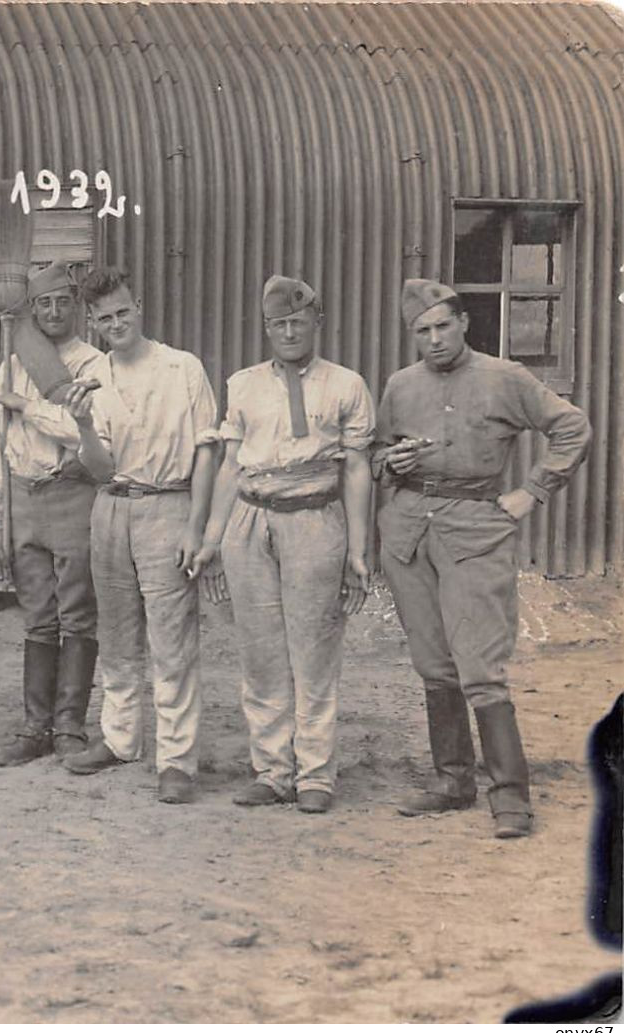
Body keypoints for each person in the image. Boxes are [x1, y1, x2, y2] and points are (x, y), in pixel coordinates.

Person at [376, 277, 591, 839]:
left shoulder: (506, 378)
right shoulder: (400, 386)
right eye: (422, 331)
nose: (435, 338)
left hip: (476, 532)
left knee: (481, 667)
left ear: (464, 322)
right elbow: (377, 454)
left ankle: (511, 796)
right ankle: (452, 781)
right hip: (408, 535)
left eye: (443, 325)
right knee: (433, 662)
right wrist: (390, 461)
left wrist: (533, 492)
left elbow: (572, 428)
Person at [188, 276, 375, 814]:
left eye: (298, 321)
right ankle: (272, 770)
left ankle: (315, 774)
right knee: (261, 653)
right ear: (266, 328)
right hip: (251, 520)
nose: (289, 332)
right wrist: (212, 540)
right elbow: (229, 465)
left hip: (315, 519)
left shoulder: (346, 384)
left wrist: (358, 550)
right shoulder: (242, 384)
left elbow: (358, 469)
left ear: (317, 322)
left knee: (313, 651)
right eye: (278, 324)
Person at [62, 266, 220, 805]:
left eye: (122, 312)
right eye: (104, 318)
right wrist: (82, 425)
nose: (116, 323)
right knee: (118, 634)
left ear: (139, 308)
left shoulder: (182, 368)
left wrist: (195, 526)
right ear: (93, 323)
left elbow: (206, 451)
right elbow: (102, 469)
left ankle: (176, 760)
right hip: (112, 508)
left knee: (172, 640)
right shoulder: (93, 377)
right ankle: (121, 738)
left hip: (168, 506)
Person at [0, 262, 112, 767]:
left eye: (62, 301)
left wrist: (26, 406)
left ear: (76, 305)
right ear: (31, 309)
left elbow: (84, 431)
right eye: (44, 303)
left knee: (78, 613)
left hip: (73, 492)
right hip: (23, 498)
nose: (54, 312)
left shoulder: (93, 365)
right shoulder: (14, 361)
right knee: (37, 616)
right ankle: (35, 726)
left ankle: (70, 727)